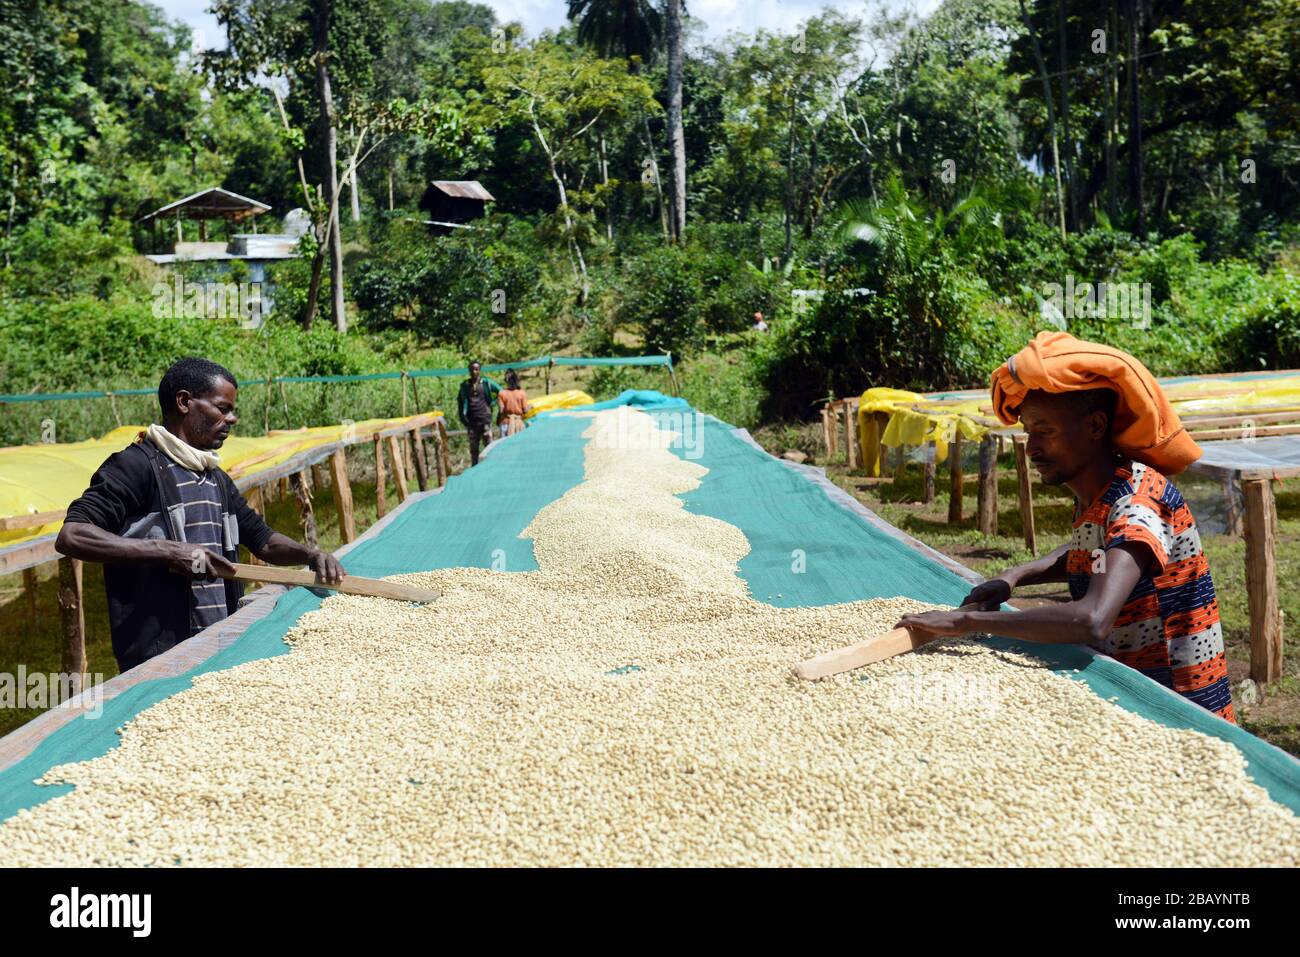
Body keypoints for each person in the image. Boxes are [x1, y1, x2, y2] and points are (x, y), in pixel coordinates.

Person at [896, 332, 1234, 723]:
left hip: (1177, 704)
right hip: (1129, 685)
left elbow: (1091, 619)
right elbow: (1097, 552)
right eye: (1028, 432)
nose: (1031, 448)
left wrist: (965, 622)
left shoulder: (1138, 501)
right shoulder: (1100, 494)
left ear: (1094, 426)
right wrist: (1017, 575)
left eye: (1046, 432)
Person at [56, 357, 344, 673]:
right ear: (184, 402)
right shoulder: (136, 467)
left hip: (219, 642)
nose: (232, 419)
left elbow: (263, 541)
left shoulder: (214, 477)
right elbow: (73, 535)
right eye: (223, 408)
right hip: (160, 658)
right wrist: (168, 551)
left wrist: (310, 554)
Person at [457, 360, 499, 466]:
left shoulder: (486, 383)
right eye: (471, 369)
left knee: (489, 448)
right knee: (474, 450)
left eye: (476, 369)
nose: (473, 372)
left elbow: (501, 392)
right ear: (469, 371)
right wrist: (462, 416)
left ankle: (491, 467)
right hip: (472, 422)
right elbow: (460, 401)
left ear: (479, 371)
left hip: (485, 420)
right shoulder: (465, 386)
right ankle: (474, 472)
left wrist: (493, 403)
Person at [497, 369, 531, 439]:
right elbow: (525, 411)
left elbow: (501, 411)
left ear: (506, 381)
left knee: (504, 446)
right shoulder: (522, 393)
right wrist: (530, 406)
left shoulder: (502, 393)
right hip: (518, 424)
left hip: (505, 424)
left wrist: (498, 420)